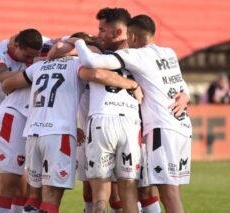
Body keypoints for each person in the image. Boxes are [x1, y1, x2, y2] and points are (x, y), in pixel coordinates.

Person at [1, 37, 141, 213]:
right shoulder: (77, 65)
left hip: (33, 133)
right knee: (52, 194)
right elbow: (97, 74)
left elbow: (7, 84)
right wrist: (132, 85)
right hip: (59, 134)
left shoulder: (38, 67)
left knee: (34, 195)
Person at [71, 14, 192, 213]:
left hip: (159, 127)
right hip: (181, 125)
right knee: (155, 191)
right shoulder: (168, 52)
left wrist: (78, 42)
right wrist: (186, 95)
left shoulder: (135, 56)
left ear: (132, 37)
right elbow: (180, 85)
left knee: (167, 193)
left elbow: (91, 63)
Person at [93, 7, 161, 213]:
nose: (98, 34)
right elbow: (92, 71)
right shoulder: (100, 53)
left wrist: (183, 93)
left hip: (136, 126)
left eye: (102, 30)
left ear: (120, 32)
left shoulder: (143, 56)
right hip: (112, 123)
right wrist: (130, 84)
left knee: (144, 189)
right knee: (114, 191)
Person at [0, 29, 43, 213]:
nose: (30, 60)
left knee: (19, 188)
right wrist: (38, 71)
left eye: (33, 57)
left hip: (16, 123)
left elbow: (64, 42)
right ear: (16, 45)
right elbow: (5, 80)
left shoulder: (37, 42)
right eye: (27, 56)